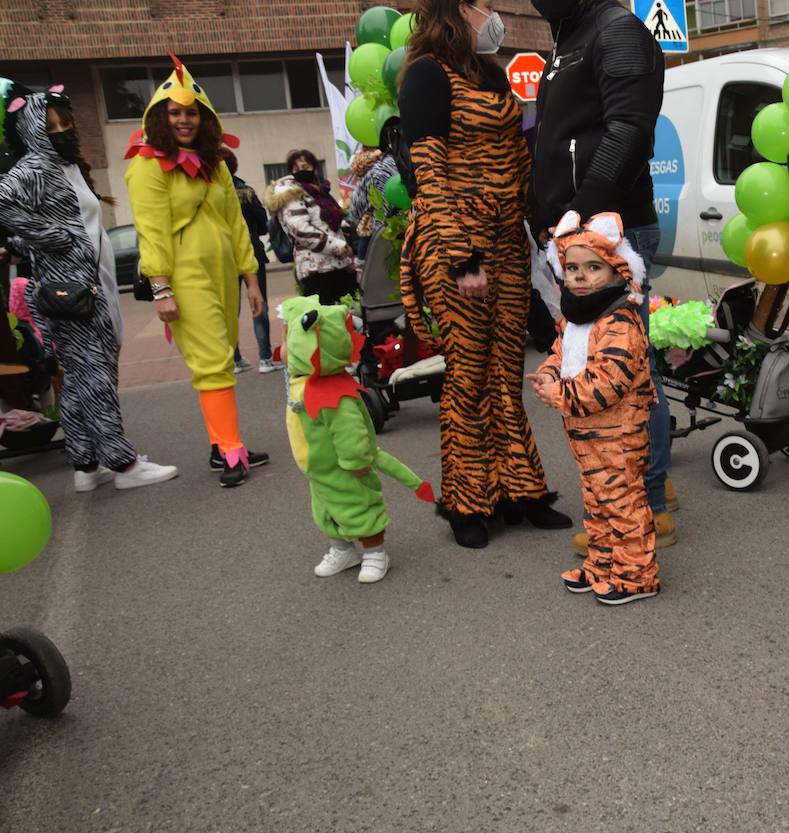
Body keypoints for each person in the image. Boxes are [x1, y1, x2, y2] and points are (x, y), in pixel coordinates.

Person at [398, 0, 571, 549]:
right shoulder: (425, 75)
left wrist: (541, 224)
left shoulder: (492, 76)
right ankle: (466, 501)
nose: (493, 13)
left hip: (504, 239)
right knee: (468, 377)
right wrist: (461, 259)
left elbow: (517, 159)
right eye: (483, 5)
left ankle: (519, 490)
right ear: (455, 10)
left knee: (504, 372)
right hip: (455, 243)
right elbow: (429, 174)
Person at [528, 0, 677, 552]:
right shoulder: (569, 34)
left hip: (612, 231)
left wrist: (582, 209)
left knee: (624, 372)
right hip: (580, 231)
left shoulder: (618, 31)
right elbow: (558, 137)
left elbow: (630, 129)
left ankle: (646, 505)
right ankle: (647, 488)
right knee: (614, 363)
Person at [0, 86, 178, 491]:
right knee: (95, 375)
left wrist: (40, 238)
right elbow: (3, 203)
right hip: (72, 291)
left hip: (93, 286)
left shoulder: (66, 168)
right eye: (50, 127)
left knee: (81, 378)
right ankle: (123, 463)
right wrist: (51, 237)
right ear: (30, 132)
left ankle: (85, 463)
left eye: (65, 123)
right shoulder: (34, 169)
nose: (62, 131)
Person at [124, 55, 269, 488]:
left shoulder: (215, 164)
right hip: (183, 275)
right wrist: (161, 287)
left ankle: (218, 444)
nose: (184, 120)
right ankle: (231, 452)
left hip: (223, 271)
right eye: (175, 112)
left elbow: (236, 224)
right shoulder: (147, 164)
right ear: (160, 117)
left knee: (221, 351)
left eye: (191, 112)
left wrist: (251, 279)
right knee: (212, 361)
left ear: (203, 118)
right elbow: (150, 231)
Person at [528, 211, 659, 605]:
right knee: (597, 504)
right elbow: (560, 353)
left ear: (618, 272)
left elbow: (608, 382)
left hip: (617, 436)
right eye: (571, 268)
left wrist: (560, 395)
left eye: (593, 267)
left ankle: (636, 575)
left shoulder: (620, 322)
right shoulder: (574, 318)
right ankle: (602, 564)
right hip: (585, 436)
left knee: (624, 505)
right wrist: (549, 374)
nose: (580, 276)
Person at [280, 295, 434, 584]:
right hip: (318, 470)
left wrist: (357, 459)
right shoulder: (300, 383)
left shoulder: (335, 394)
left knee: (359, 507)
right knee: (326, 510)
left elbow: (350, 431)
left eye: (288, 343)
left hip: (345, 466)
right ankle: (342, 549)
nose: (282, 351)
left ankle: (375, 552)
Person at [265, 148, 357, 305]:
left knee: (351, 317)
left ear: (314, 167)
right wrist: (339, 246)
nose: (302, 171)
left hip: (339, 265)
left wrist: (347, 229)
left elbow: (328, 222)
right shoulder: (291, 194)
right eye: (296, 168)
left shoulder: (320, 192)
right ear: (291, 171)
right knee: (327, 322)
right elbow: (301, 230)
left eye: (306, 167)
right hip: (316, 270)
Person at [221, 148, 276, 374]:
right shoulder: (246, 192)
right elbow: (264, 224)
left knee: (229, 308)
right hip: (251, 252)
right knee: (258, 304)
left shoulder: (208, 193)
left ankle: (234, 359)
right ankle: (265, 358)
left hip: (224, 257)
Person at [346, 145, 398, 260]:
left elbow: (355, 208)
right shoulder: (398, 162)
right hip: (400, 227)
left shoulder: (372, 173)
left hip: (376, 233)